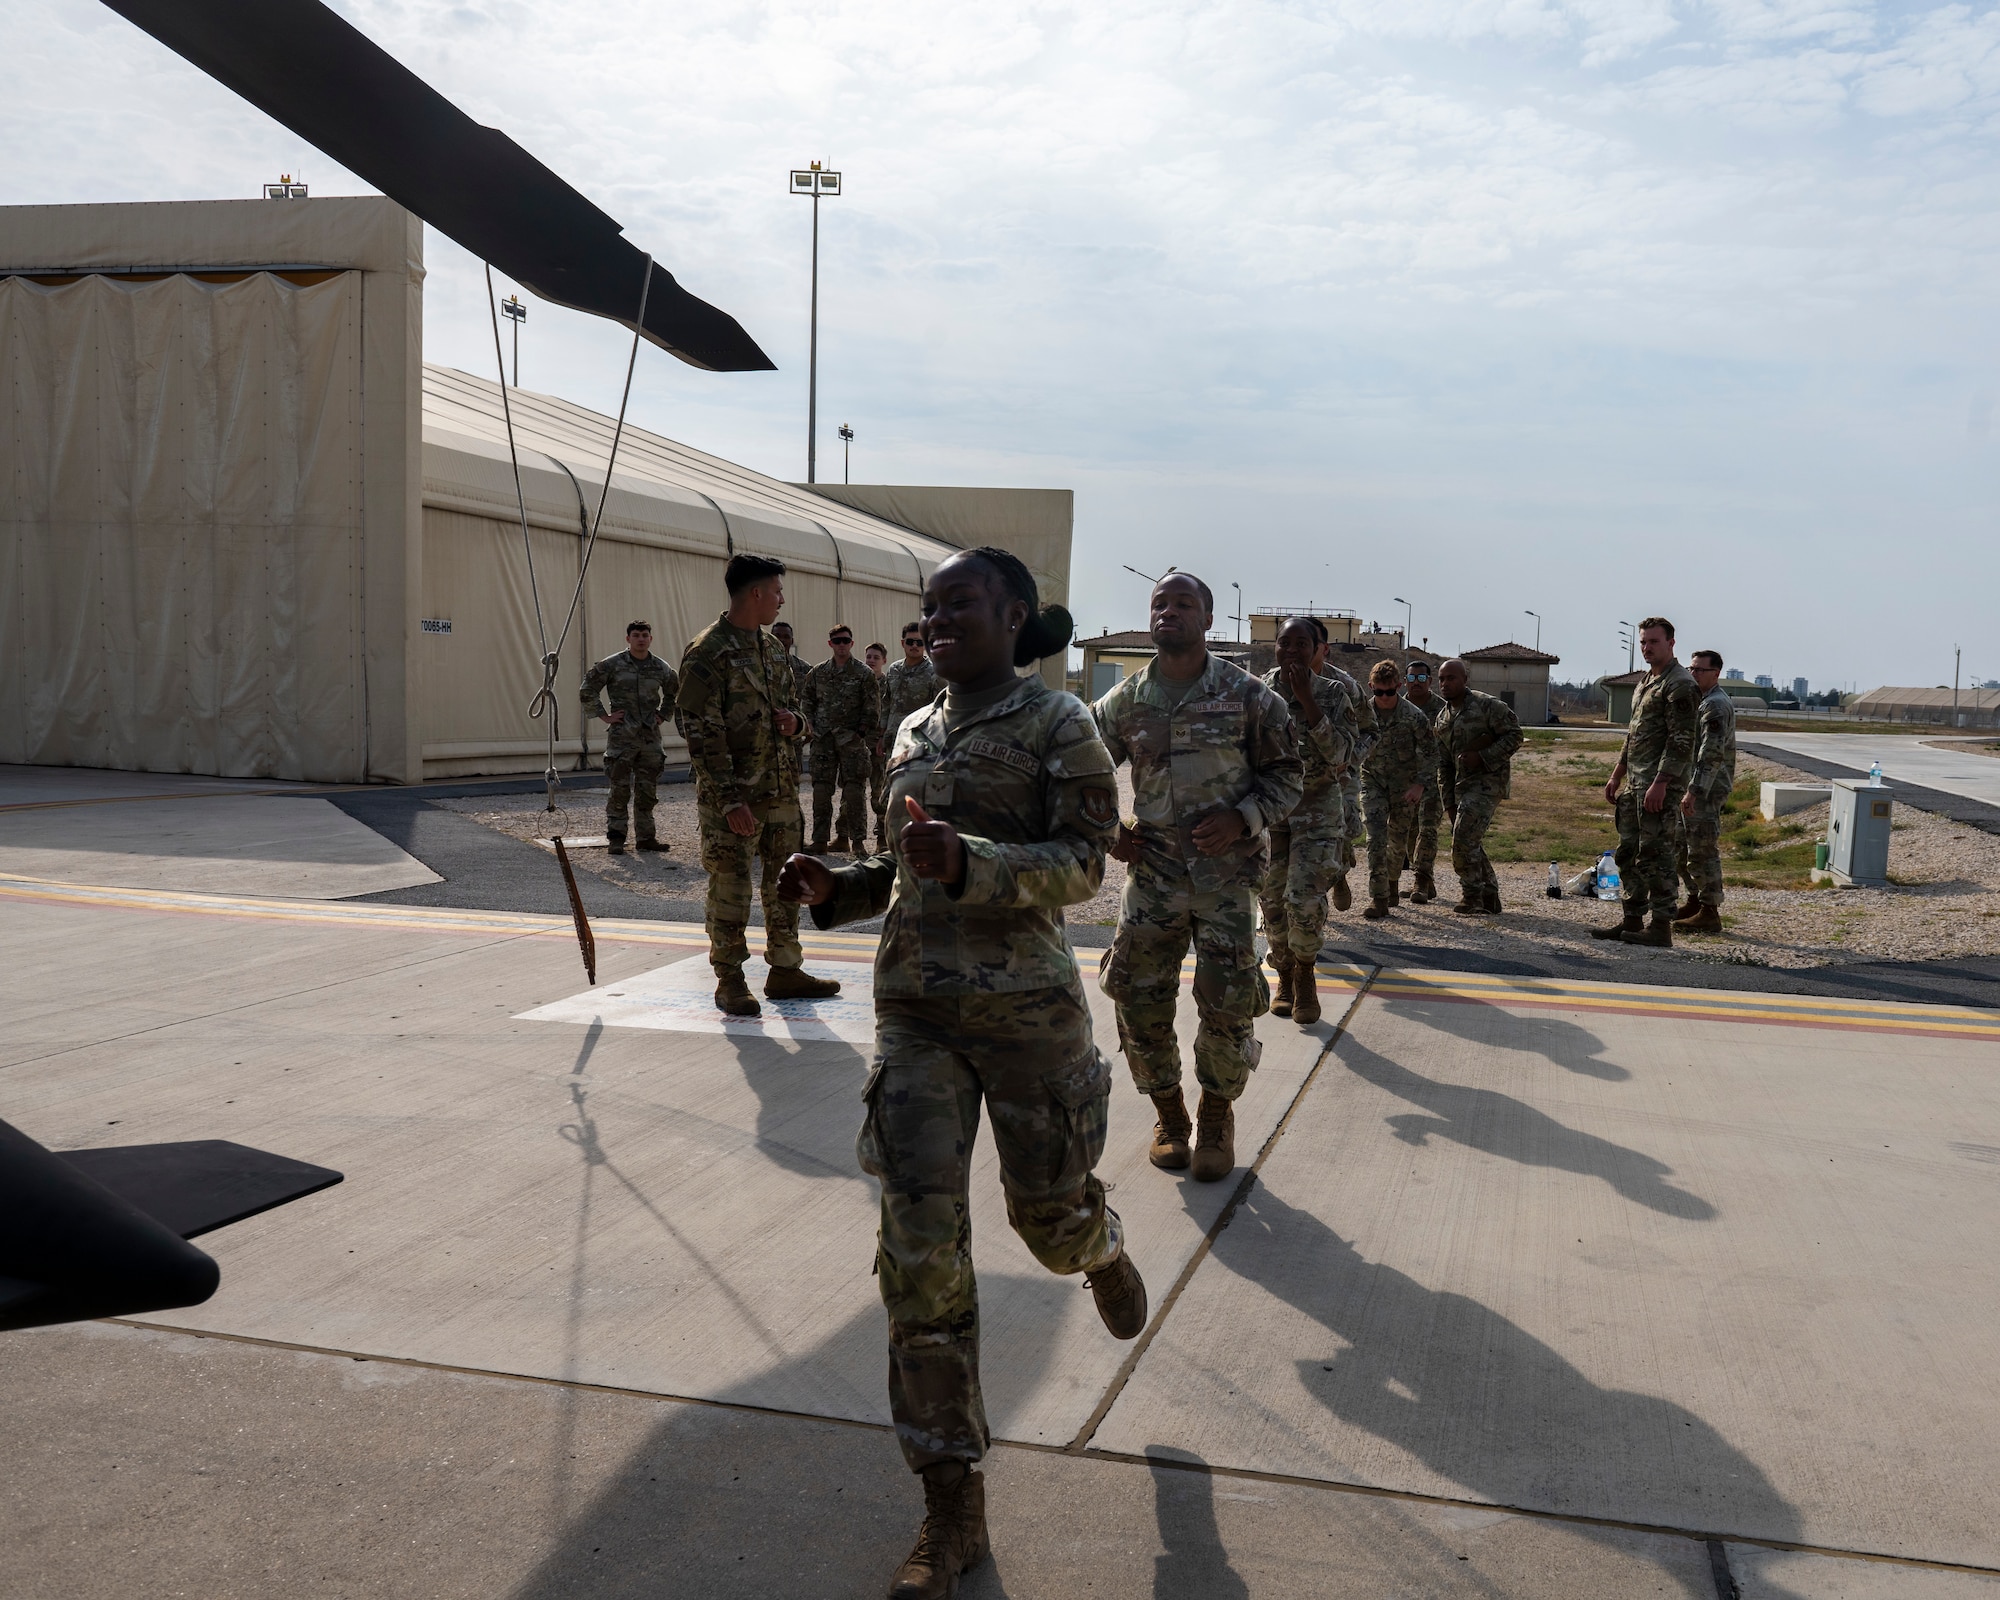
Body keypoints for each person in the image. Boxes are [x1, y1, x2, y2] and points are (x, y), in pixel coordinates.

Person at [777, 547, 1145, 1600]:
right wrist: (841, 884)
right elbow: (907, 867)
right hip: (917, 1017)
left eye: (959, 604)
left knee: (1047, 1218)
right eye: (929, 606)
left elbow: (1082, 863)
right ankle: (950, 1503)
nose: (937, 619)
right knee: (917, 1249)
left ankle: (1098, 1243)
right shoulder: (913, 727)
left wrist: (971, 861)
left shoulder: (1059, 724)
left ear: (1012, 614)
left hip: (1027, 1017)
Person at [1094, 572, 1303, 1181]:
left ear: (1208, 620)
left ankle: (1216, 1114)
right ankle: (1170, 1115)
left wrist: (1243, 819)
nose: (1169, 612)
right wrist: (1110, 829)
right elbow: (1079, 771)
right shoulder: (1125, 701)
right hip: (1153, 877)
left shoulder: (1250, 697)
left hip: (1226, 881)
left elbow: (1288, 777)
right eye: (1160, 603)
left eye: (1183, 604)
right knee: (1136, 995)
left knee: (1228, 1002)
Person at [676, 555, 845, 1016]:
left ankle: (786, 970)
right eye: (776, 591)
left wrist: (798, 724)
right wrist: (729, 800)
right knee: (731, 890)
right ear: (755, 594)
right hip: (735, 801)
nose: (781, 599)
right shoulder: (707, 652)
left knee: (787, 886)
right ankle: (730, 979)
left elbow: (796, 712)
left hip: (781, 795)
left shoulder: (773, 650)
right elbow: (699, 733)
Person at [1259, 617, 1356, 1026]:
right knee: (1270, 900)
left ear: (1319, 649)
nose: (1292, 651)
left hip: (1318, 811)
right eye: (1285, 643)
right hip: (1272, 811)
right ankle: (1283, 975)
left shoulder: (1334, 693)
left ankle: (1305, 972)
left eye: (1302, 644)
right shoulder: (1259, 691)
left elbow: (1343, 755)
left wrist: (1308, 701)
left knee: (1302, 898)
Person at [1593, 616, 1698, 948]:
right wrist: (1616, 774)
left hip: (1658, 787)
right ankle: (1633, 919)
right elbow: (1634, 735)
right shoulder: (1645, 682)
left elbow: (1681, 740)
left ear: (1671, 643)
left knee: (1657, 855)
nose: (1647, 648)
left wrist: (1662, 783)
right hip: (1635, 784)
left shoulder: (1679, 683)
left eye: (1653, 642)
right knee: (1628, 854)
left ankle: (1661, 925)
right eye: (1643, 642)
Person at [1433, 657, 1523, 914]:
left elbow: (1515, 735)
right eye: (1441, 679)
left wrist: (1483, 757)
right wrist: (1447, 800)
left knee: (1463, 839)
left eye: (1451, 678)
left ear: (1465, 680)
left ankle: (1472, 896)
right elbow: (1444, 764)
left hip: (1487, 783)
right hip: (1461, 788)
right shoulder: (1442, 719)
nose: (1445, 684)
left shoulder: (1487, 706)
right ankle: (1490, 895)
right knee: (1469, 839)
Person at [579, 621, 677, 854]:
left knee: (647, 789)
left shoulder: (660, 667)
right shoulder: (612, 664)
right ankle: (616, 838)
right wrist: (604, 715)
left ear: (651, 639)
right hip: (622, 736)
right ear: (628, 639)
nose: (641, 639)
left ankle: (646, 838)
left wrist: (663, 714)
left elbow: (674, 692)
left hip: (650, 736)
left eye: (645, 635)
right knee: (619, 787)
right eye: (636, 635)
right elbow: (588, 688)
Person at [1359, 660, 1439, 921]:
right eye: (1378, 692)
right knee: (1375, 839)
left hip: (1404, 787)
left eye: (1389, 692)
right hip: (1372, 781)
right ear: (1371, 687)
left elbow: (1430, 752)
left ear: (1398, 686)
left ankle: (1392, 884)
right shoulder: (1362, 713)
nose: (1383, 698)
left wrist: (1420, 784)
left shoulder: (1414, 716)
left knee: (1397, 842)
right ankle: (1379, 898)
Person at [803, 625, 882, 854]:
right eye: (837, 641)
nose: (841, 645)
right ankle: (819, 841)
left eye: (845, 640)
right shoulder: (818, 672)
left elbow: (872, 707)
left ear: (852, 643)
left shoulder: (863, 673)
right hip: (823, 739)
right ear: (830, 644)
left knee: (854, 792)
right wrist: (809, 724)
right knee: (820, 790)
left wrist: (860, 733)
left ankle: (857, 842)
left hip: (851, 741)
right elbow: (807, 700)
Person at [1675, 649, 1737, 935]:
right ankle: (1694, 901)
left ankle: (1709, 911)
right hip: (1692, 786)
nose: (1694, 673)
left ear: (1716, 673)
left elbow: (1710, 754)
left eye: (1700, 669)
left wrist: (1695, 791)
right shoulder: (1700, 702)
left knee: (1702, 850)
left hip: (1706, 790)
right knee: (1680, 847)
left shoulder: (1715, 705)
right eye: (1692, 668)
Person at [1314, 629, 1374, 912]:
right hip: (1296, 778)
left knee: (1347, 828)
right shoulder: (1271, 683)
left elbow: (1371, 731)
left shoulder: (1344, 685)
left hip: (1341, 775)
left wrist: (1348, 761)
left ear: (1323, 649)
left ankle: (1339, 873)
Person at [878, 623, 941, 852]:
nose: (914, 646)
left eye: (919, 642)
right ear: (902, 642)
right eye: (910, 641)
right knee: (886, 790)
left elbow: (938, 711)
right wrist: (881, 733)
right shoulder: (893, 670)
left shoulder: (934, 673)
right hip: (893, 740)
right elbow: (886, 703)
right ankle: (883, 841)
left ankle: (913, 840)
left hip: (919, 745)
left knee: (913, 792)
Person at [1401, 659, 1445, 902]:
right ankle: (1426, 882)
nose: (1415, 683)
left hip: (1433, 780)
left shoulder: (1442, 709)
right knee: (1410, 832)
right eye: (1410, 678)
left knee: (1427, 830)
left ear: (1429, 681)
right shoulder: (1398, 707)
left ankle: (1420, 882)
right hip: (1406, 781)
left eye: (1420, 678)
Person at [771, 621, 813, 792]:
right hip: (766, 736)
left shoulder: (804, 669)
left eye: (786, 636)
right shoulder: (759, 665)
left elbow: (813, 699)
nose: (782, 640)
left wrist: (809, 725)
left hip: (794, 737)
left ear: (792, 640)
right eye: (777, 636)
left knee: (792, 785)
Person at [865, 642, 892, 848]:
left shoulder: (888, 684)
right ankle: (846, 835)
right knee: (852, 791)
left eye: (876, 657)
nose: (871, 660)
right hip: (859, 743)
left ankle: (882, 836)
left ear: (884, 661)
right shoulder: (860, 681)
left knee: (879, 789)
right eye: (869, 657)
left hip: (879, 744)